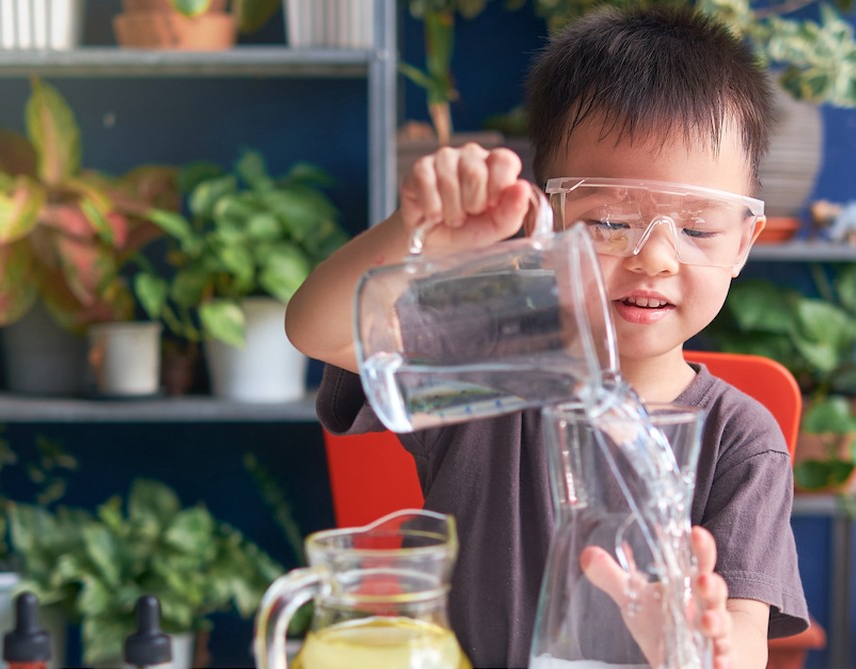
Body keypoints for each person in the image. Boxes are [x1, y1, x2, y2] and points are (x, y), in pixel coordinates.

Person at [286, 5, 809, 668]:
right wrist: (417, 240)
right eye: (610, 220)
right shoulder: (495, 363)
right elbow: (315, 327)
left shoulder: (742, 441)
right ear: (549, 216)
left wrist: (694, 644)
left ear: (743, 241)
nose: (655, 258)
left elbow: (743, 645)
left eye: (697, 229)